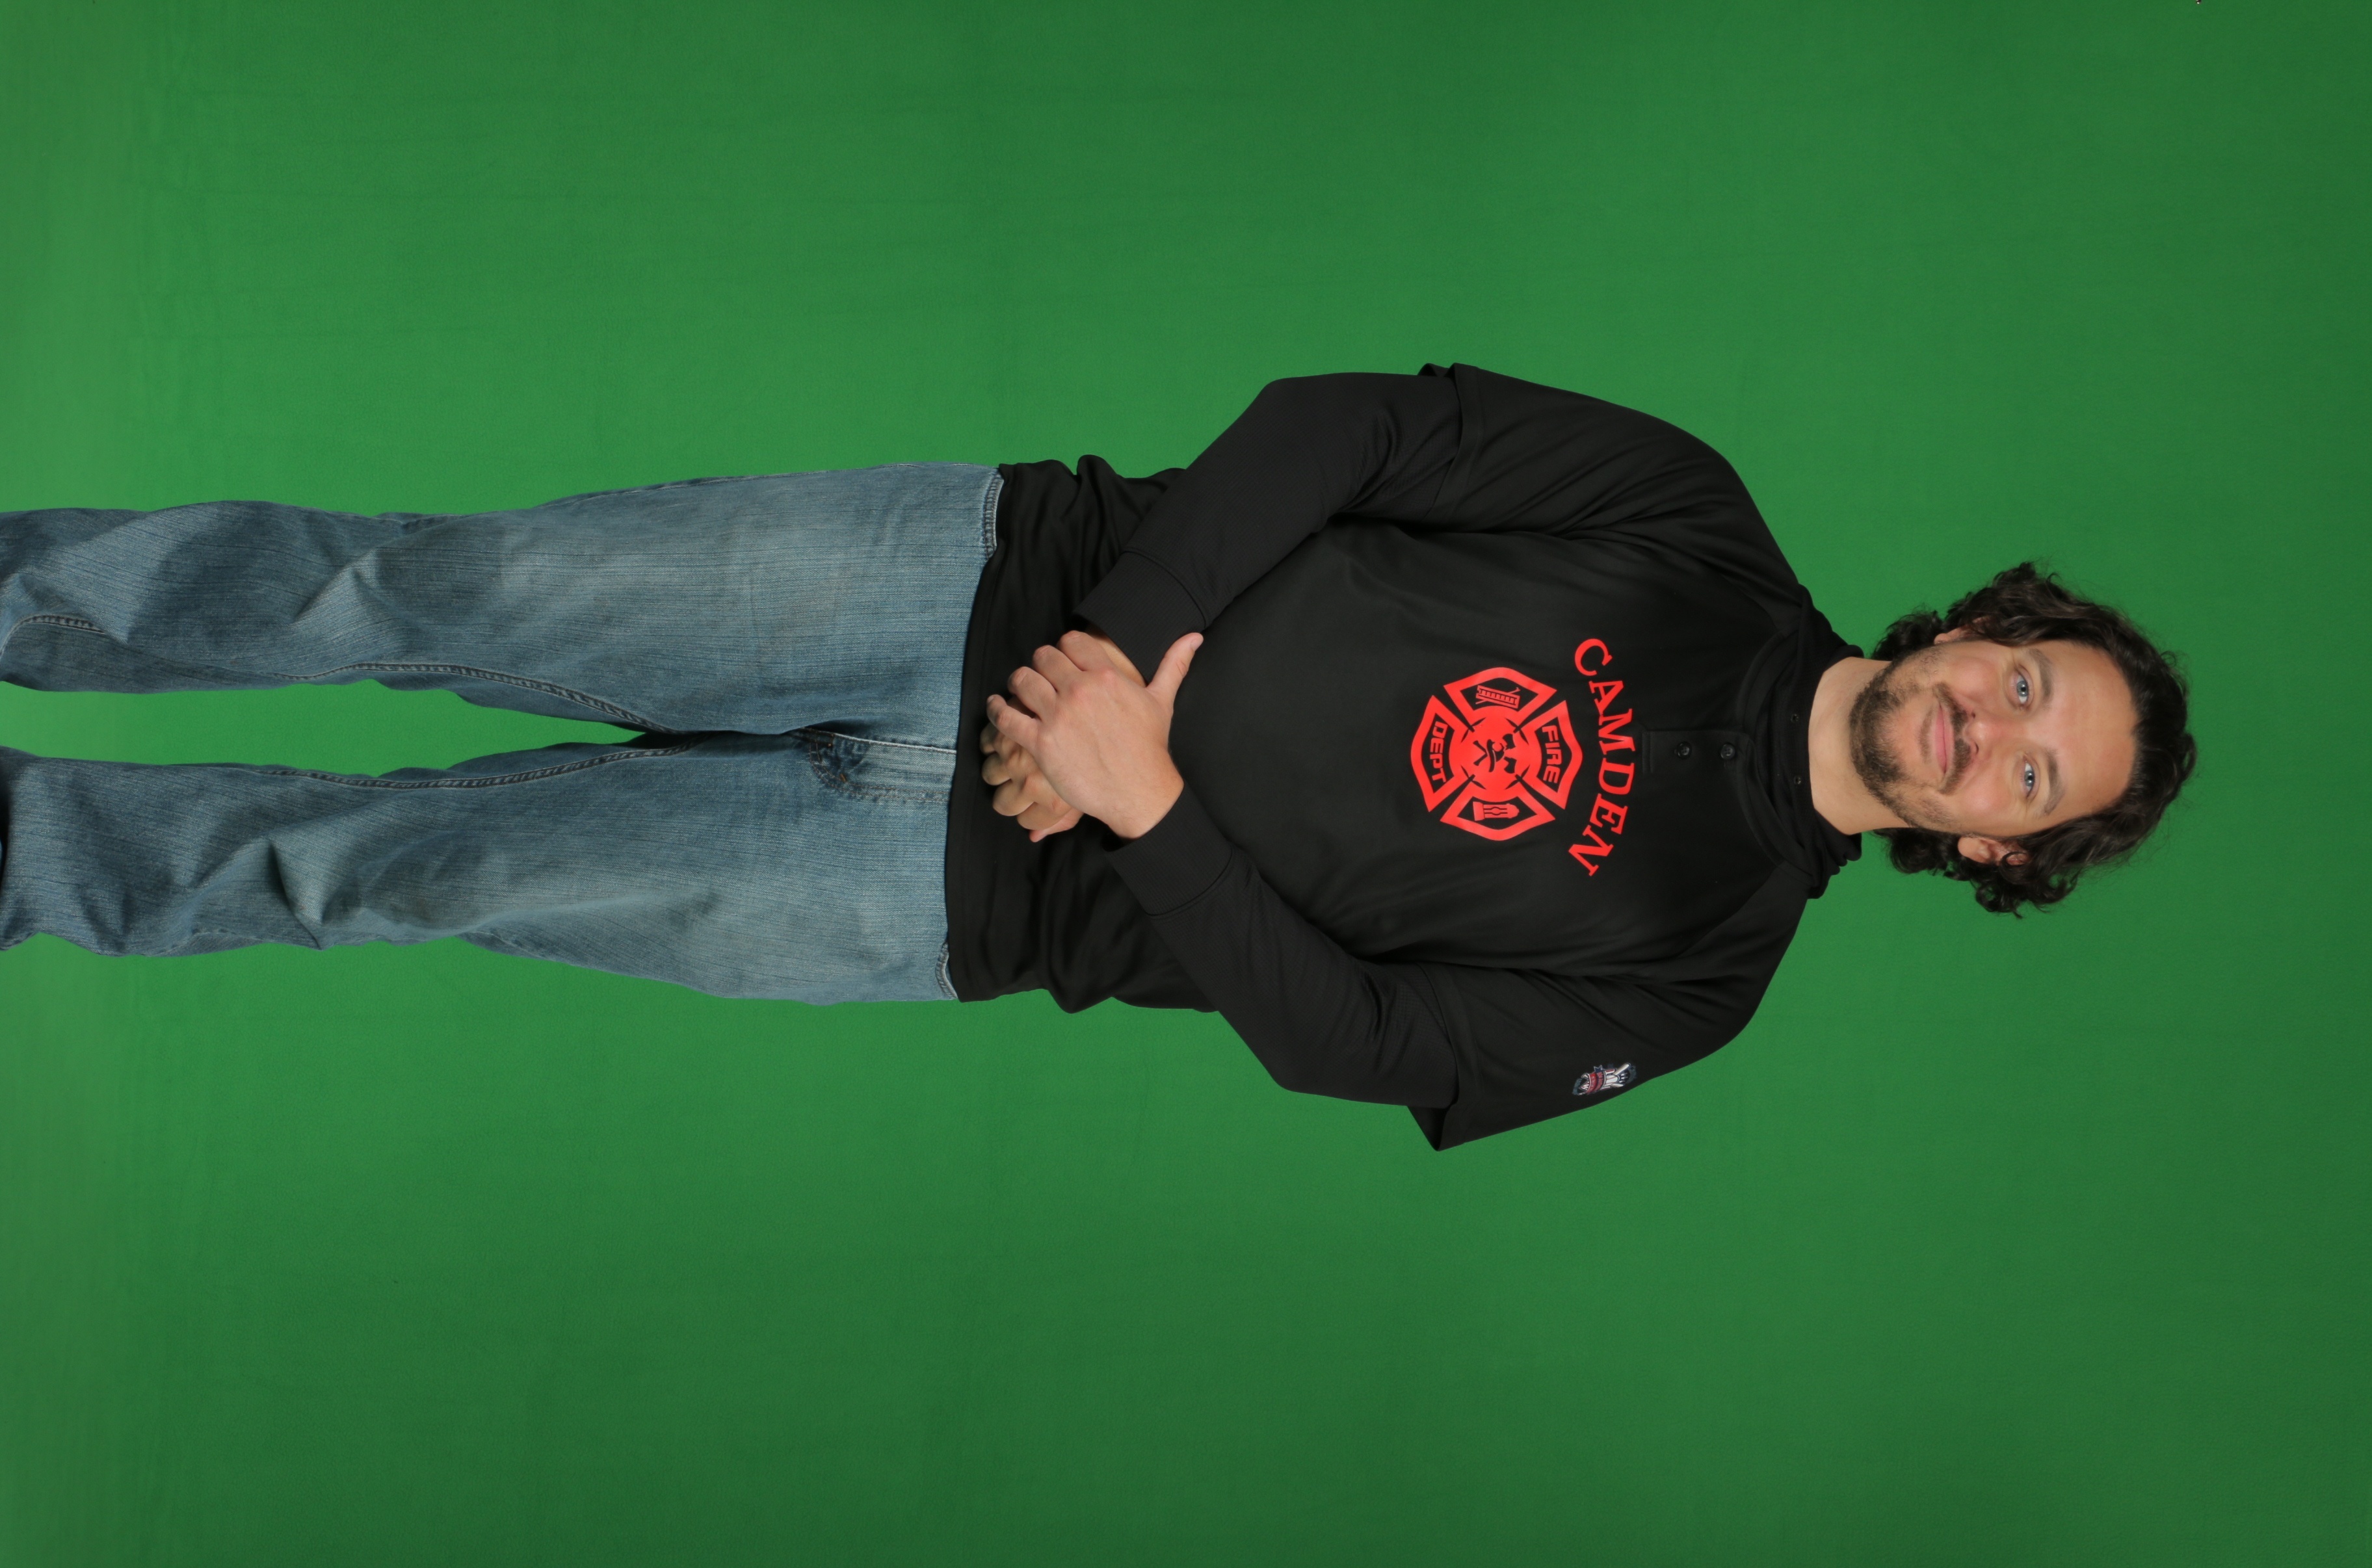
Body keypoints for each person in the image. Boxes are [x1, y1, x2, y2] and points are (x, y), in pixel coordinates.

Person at [0, 365, 2194, 1147]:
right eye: (2028, 684)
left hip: (942, 899)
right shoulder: (1693, 522)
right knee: (415, 593)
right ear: (1985, 626)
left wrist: (1136, 799)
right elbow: (1359, 426)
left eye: (2035, 777)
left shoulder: (1699, 978)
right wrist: (1119, 661)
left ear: (2001, 858)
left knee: (387, 876)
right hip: (951, 581)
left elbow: (1366, 1045)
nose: (1990, 732)